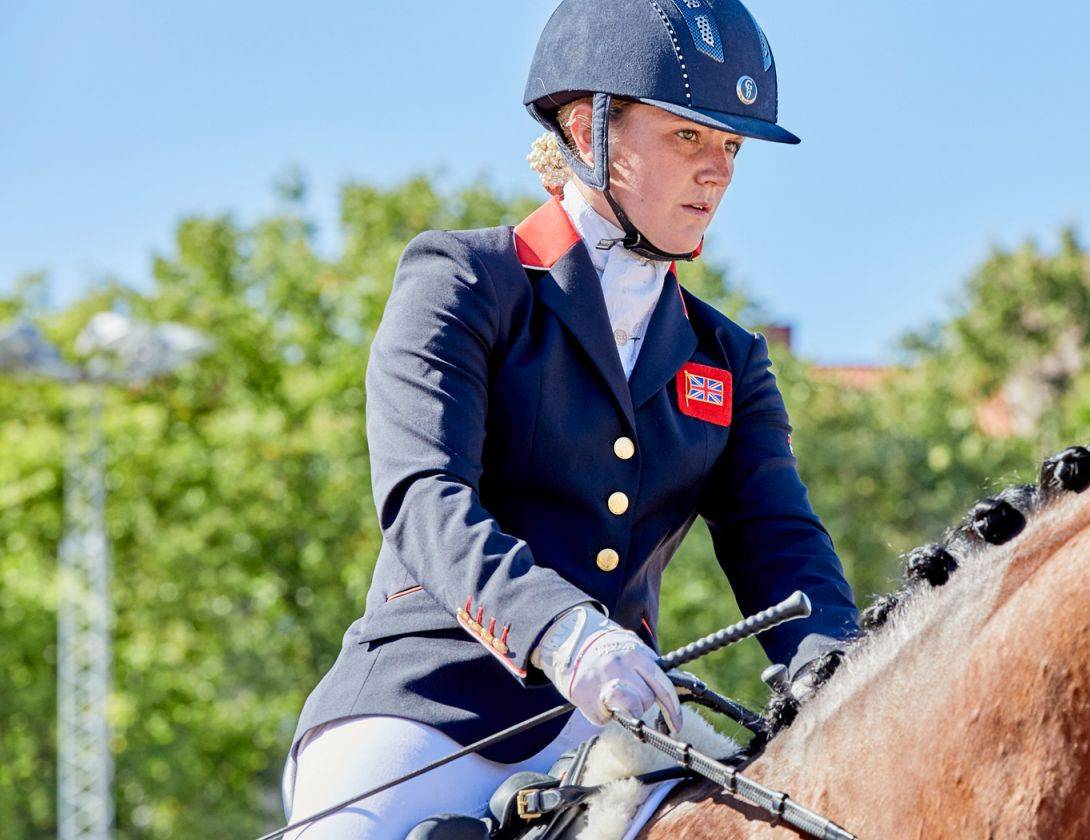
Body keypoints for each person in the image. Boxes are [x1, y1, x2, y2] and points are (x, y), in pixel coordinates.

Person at [277, 1, 859, 836]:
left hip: (612, 727)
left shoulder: (728, 358)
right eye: (688, 137)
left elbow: (782, 543)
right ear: (589, 128)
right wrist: (562, 634)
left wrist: (839, 672)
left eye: (730, 147)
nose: (719, 171)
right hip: (421, 719)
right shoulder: (465, 281)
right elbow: (424, 495)